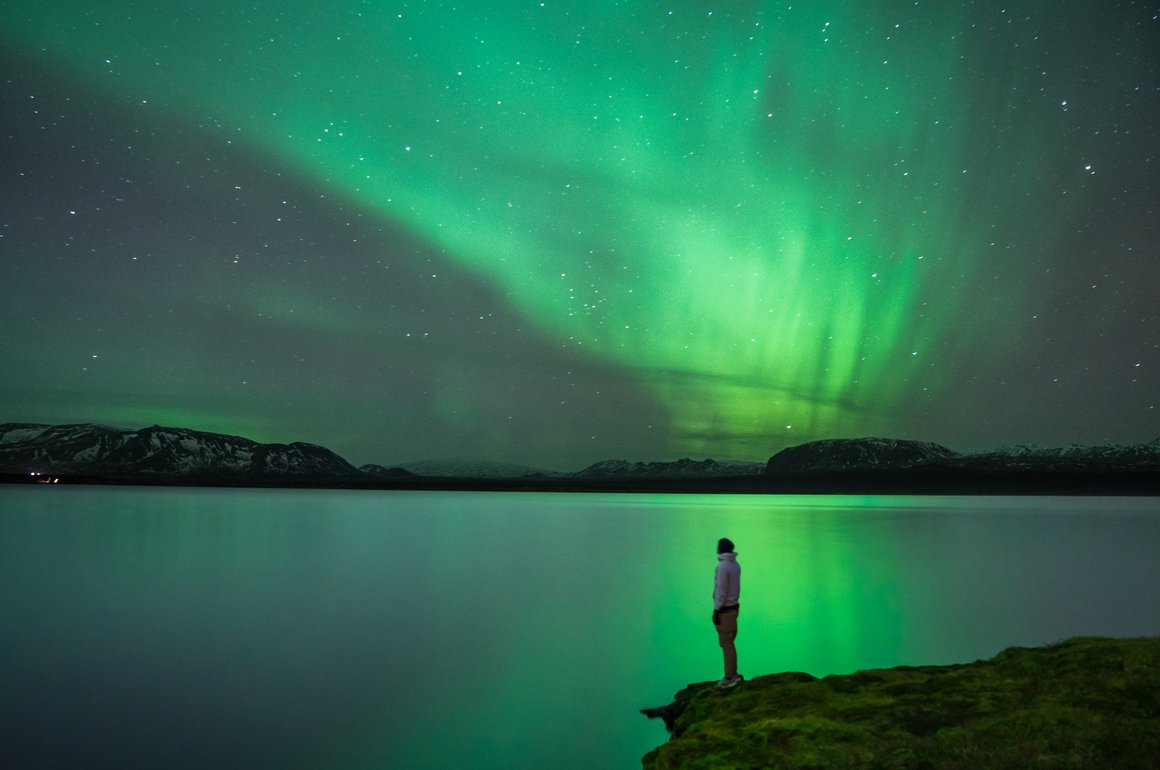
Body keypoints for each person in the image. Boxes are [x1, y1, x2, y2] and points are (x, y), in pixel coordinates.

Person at [712, 537, 742, 688]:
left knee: (726, 642)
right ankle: (732, 674)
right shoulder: (735, 565)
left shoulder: (722, 567)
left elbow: (721, 590)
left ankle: (730, 677)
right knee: (729, 642)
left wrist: (717, 609)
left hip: (725, 610)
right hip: (734, 608)